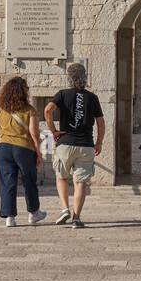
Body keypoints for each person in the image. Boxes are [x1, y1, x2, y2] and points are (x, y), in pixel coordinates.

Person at [44, 63, 104, 229]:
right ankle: (76, 218)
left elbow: (48, 110)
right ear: (85, 77)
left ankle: (64, 208)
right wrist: (99, 142)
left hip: (65, 143)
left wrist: (54, 131)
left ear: (69, 78)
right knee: (80, 183)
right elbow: (100, 122)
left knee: (61, 177)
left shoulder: (62, 94)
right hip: (85, 145)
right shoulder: (92, 98)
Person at [0, 76, 46, 228]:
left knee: (7, 182)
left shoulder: (1, 110)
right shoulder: (30, 111)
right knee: (29, 180)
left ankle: (9, 217)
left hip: (3, 147)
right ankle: (33, 213)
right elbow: (34, 134)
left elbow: (0, 129)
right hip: (23, 148)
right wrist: (39, 152)